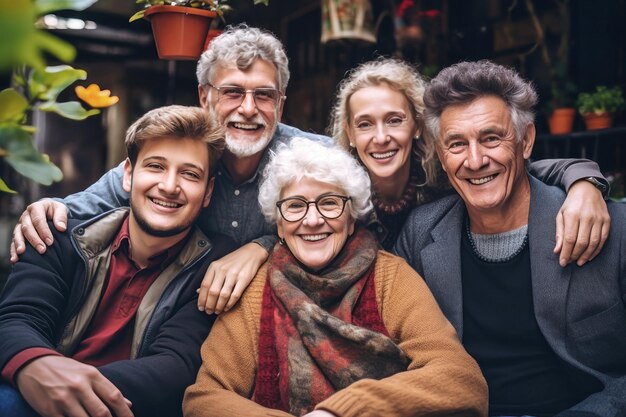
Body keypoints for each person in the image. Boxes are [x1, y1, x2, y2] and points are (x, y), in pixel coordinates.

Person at [8, 24, 330, 316]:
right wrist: (50, 210)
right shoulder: (184, 149)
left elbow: (352, 229)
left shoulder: (319, 159)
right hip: (187, 325)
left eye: (264, 95)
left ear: (281, 104)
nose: (248, 109)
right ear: (204, 97)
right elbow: (91, 203)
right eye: (232, 92)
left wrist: (263, 247)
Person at [183, 137, 488, 417]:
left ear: (351, 217)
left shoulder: (389, 278)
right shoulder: (256, 289)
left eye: (329, 203)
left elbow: (461, 379)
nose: (313, 220)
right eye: (295, 206)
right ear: (278, 225)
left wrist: (341, 412)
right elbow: (204, 399)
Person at [394, 60, 626, 416]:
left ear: (526, 140)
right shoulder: (420, 234)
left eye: (490, 138)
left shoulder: (612, 227)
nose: (475, 160)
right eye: (457, 144)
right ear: (441, 155)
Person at [0, 105, 237, 417]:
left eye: (190, 174)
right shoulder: (58, 232)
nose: (168, 185)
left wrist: (69, 387)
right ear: (128, 175)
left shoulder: (215, 265)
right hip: (31, 399)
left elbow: (176, 366)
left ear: (208, 193)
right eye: (155, 166)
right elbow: (17, 319)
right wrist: (38, 367)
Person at [329, 58, 610, 261]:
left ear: (417, 126)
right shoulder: (333, 199)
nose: (381, 137)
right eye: (364, 124)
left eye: (394, 120)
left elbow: (519, 168)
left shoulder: (445, 174)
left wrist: (584, 182)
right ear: (350, 133)